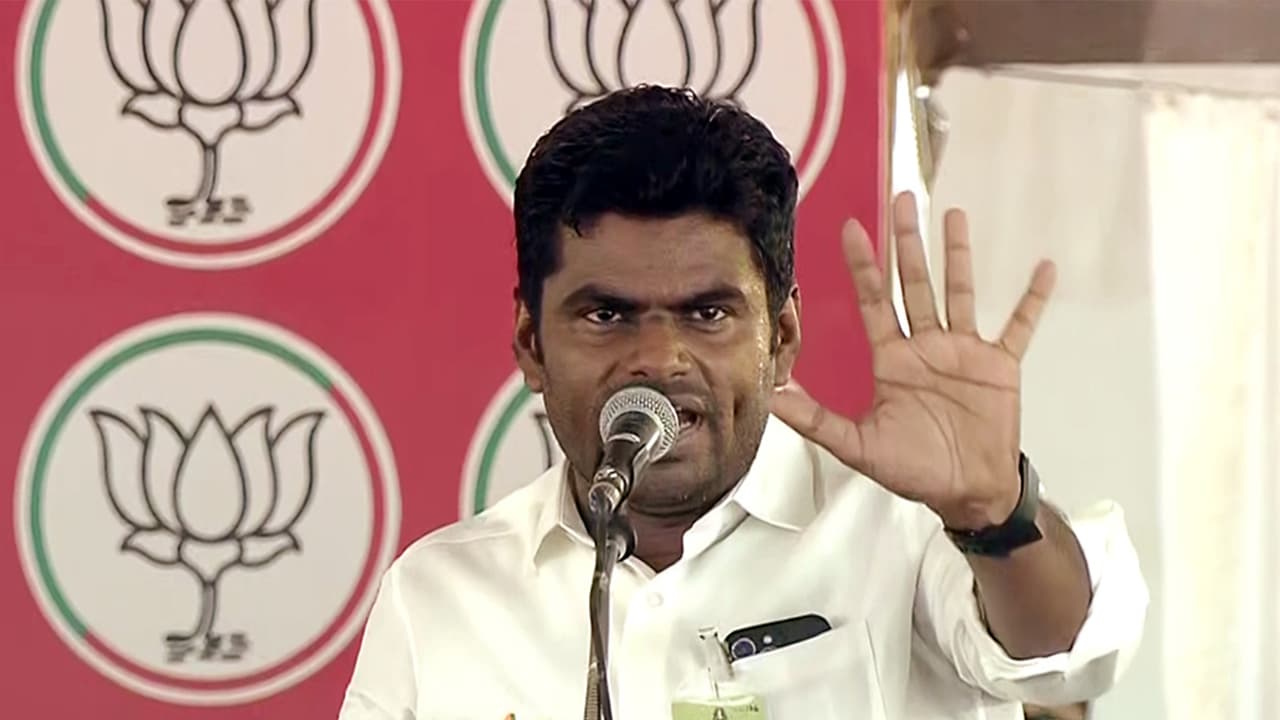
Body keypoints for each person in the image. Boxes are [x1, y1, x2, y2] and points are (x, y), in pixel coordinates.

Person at [338, 85, 1147, 719]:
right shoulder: (439, 596)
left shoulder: (902, 528)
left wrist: (994, 513)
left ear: (782, 336)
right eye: (607, 315)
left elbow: (1067, 656)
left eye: (707, 313)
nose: (658, 358)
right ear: (529, 343)